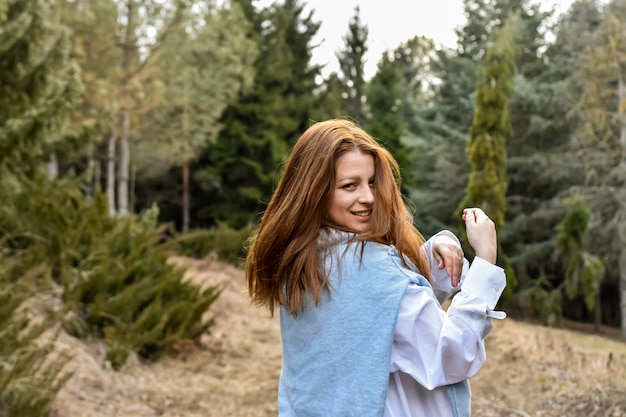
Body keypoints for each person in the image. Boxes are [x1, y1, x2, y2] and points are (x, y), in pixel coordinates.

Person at [245, 119, 506, 417]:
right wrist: (485, 261)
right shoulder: (375, 274)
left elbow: (372, 320)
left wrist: (428, 259)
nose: (368, 197)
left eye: (371, 182)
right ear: (315, 191)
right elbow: (455, 355)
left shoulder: (300, 261)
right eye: (349, 185)